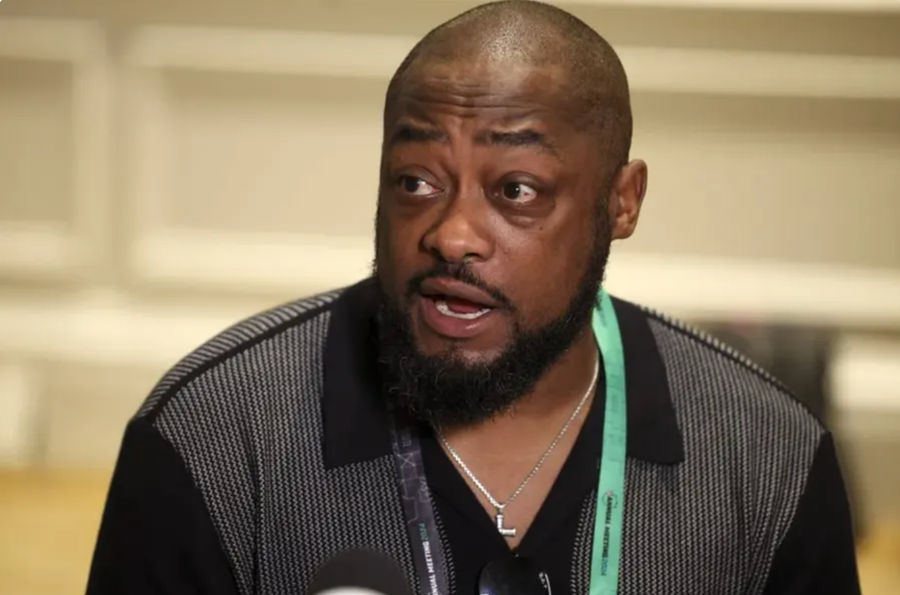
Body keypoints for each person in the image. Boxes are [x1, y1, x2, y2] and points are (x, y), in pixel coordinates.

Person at [87, 1, 860, 594]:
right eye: (416, 182)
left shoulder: (768, 459)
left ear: (622, 202)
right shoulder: (212, 436)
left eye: (515, 190)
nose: (451, 234)